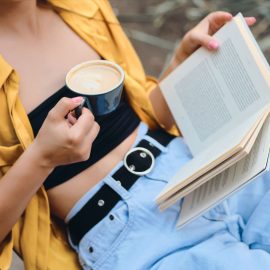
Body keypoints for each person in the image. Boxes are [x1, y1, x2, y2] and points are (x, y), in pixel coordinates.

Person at [1, 0, 269, 269]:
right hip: (130, 232)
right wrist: (41, 158)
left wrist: (183, 60)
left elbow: (144, 115)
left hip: (196, 169)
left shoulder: (85, 7)